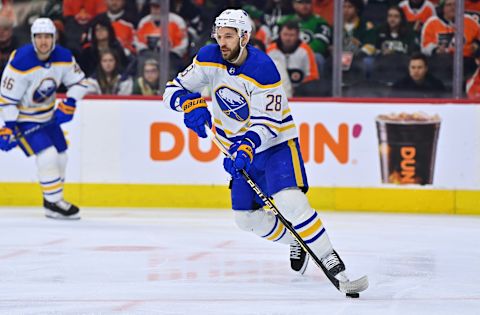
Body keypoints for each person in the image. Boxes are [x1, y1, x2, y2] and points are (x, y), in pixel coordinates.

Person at [163, 9, 356, 281]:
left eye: (228, 36)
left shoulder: (263, 68)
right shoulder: (209, 58)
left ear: (244, 37)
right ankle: (296, 241)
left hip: (275, 144)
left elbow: (268, 124)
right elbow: (171, 90)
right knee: (245, 218)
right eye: (219, 36)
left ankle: (329, 256)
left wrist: (244, 148)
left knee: (289, 199)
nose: (222, 43)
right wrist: (188, 104)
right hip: (240, 149)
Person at [0, 18, 88, 220]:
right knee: (47, 155)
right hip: (23, 118)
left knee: (61, 156)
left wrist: (70, 102)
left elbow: (80, 83)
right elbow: (6, 99)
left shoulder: (64, 56)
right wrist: (9, 127)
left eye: (47, 36)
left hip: (47, 115)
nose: (43, 41)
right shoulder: (21, 62)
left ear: (54, 38)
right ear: (32, 39)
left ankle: (52, 201)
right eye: (39, 37)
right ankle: (54, 202)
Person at [267, 20, 319, 96]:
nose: (288, 38)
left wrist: (298, 88)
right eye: (285, 34)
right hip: (277, 89)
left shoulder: (306, 50)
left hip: (300, 90)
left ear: (298, 35)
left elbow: (312, 76)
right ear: (279, 34)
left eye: (291, 35)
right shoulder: (271, 50)